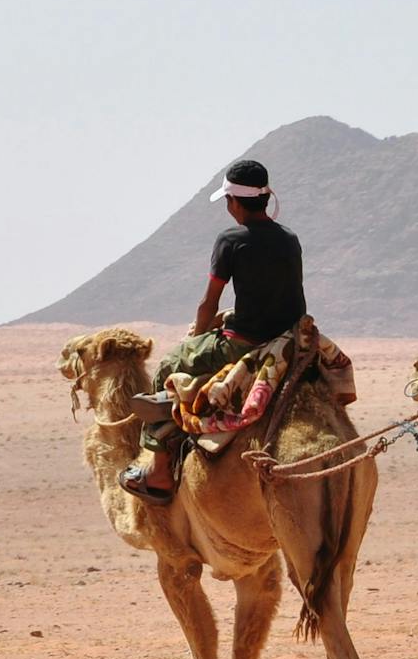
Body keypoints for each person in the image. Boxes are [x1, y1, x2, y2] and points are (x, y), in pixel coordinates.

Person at [118, 158, 307, 502]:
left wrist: (197, 336)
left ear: (234, 202)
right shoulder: (290, 239)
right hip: (288, 340)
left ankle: (158, 471)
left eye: (227, 201)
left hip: (243, 345)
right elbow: (283, 297)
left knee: (167, 367)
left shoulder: (231, 239)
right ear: (265, 199)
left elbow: (208, 303)